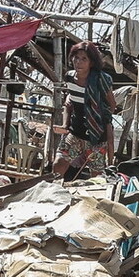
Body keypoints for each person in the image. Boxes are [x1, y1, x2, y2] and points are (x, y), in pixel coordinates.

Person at [52, 41, 116, 178]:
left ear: (91, 63)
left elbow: (112, 104)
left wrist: (98, 119)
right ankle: (55, 187)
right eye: (76, 58)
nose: (78, 62)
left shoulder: (101, 79)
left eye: (84, 59)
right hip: (76, 132)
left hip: (97, 137)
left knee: (97, 176)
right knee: (58, 164)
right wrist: (65, 125)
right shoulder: (70, 77)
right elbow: (69, 103)